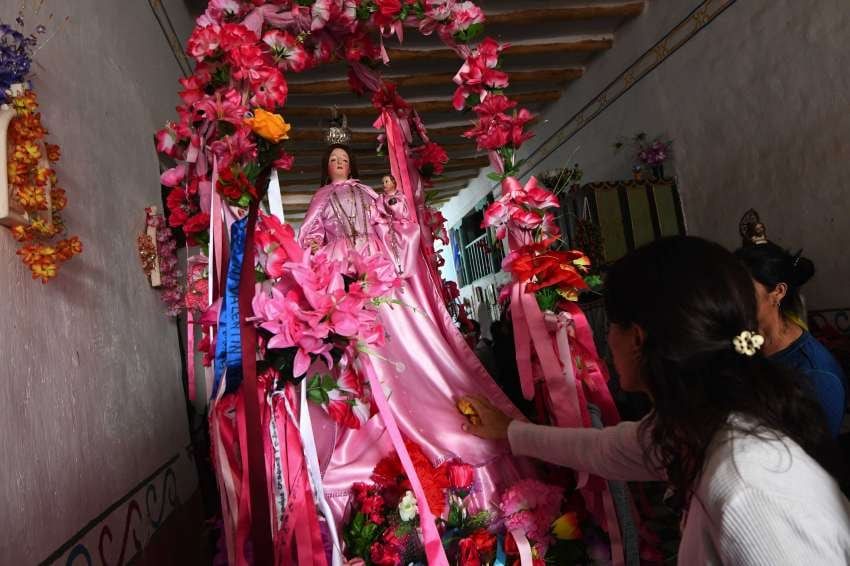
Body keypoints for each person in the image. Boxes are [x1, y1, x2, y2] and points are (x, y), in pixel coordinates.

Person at [462, 236, 850, 565]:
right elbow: (602, 449)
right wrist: (509, 431)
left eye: (612, 325)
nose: (606, 339)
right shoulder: (696, 426)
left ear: (638, 338)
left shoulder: (747, 481)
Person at [298, 144, 533, 524]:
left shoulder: (366, 192)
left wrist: (392, 198)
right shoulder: (322, 198)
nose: (340, 164)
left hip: (376, 266)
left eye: (344, 159)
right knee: (355, 347)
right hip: (341, 272)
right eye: (333, 161)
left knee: (403, 336)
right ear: (326, 167)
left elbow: (392, 222)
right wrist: (318, 251)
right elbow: (309, 235)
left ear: (352, 164)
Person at [735, 242, 847, 436]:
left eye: (743, 290)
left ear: (778, 292)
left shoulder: (815, 375)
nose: (732, 299)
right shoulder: (741, 342)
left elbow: (817, 448)